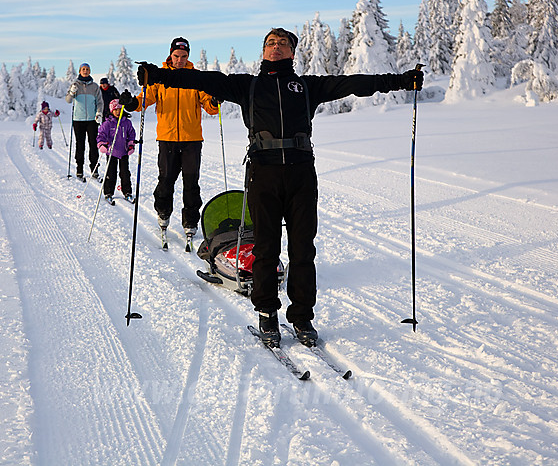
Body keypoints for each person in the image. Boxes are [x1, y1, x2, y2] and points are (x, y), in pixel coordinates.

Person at [135, 28, 423, 347]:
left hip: (301, 172)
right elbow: (200, 80)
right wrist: (156, 74)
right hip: (263, 172)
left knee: (303, 248)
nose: (276, 47)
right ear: (263, 51)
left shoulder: (307, 86)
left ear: (292, 53)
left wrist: (400, 81)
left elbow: (354, 83)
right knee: (265, 248)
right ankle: (267, 314)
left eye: (282, 43)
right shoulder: (248, 85)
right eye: (270, 43)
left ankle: (301, 317)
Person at [118, 37, 219, 240]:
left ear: (187, 56)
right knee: (166, 180)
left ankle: (190, 221)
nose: (179, 60)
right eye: (176, 56)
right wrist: (130, 104)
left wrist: (215, 100)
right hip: (167, 138)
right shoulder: (161, 78)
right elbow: (144, 99)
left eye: (183, 56)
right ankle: (163, 213)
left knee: (191, 183)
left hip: (192, 140)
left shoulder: (195, 78)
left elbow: (209, 106)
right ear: (170, 55)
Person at [66, 63, 104, 181]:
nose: (85, 71)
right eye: (83, 69)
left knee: (93, 145)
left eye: (87, 69)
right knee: (80, 145)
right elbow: (68, 100)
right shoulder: (75, 85)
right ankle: (79, 169)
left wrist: (99, 113)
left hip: (92, 120)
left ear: (90, 71)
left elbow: (100, 102)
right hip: (78, 120)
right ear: (80, 71)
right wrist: (72, 92)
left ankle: (94, 170)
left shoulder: (95, 87)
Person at [97, 99, 136, 204]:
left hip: (124, 152)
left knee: (125, 173)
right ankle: (108, 192)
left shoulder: (126, 122)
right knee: (111, 172)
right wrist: (102, 144)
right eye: (116, 110)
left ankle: (127, 192)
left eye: (120, 110)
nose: (118, 112)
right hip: (111, 152)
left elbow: (131, 134)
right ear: (111, 111)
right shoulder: (107, 123)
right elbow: (101, 135)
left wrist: (131, 144)